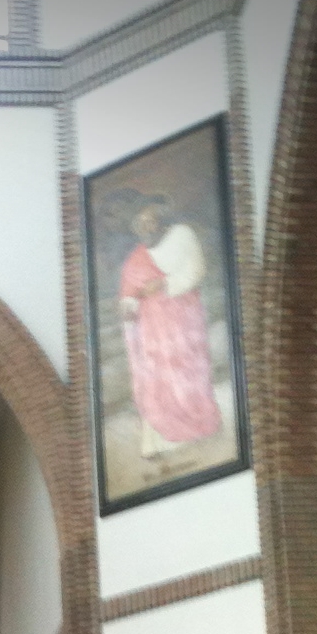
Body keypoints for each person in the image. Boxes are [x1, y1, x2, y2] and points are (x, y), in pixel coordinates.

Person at [117, 195, 222, 459]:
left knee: (186, 371)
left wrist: (164, 284)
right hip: (152, 328)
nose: (146, 226)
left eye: (150, 219)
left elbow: (196, 270)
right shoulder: (138, 255)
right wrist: (128, 305)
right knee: (156, 377)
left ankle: (195, 426)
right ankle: (159, 440)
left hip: (183, 320)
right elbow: (129, 290)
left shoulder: (182, 235)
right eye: (140, 222)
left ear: (160, 218)